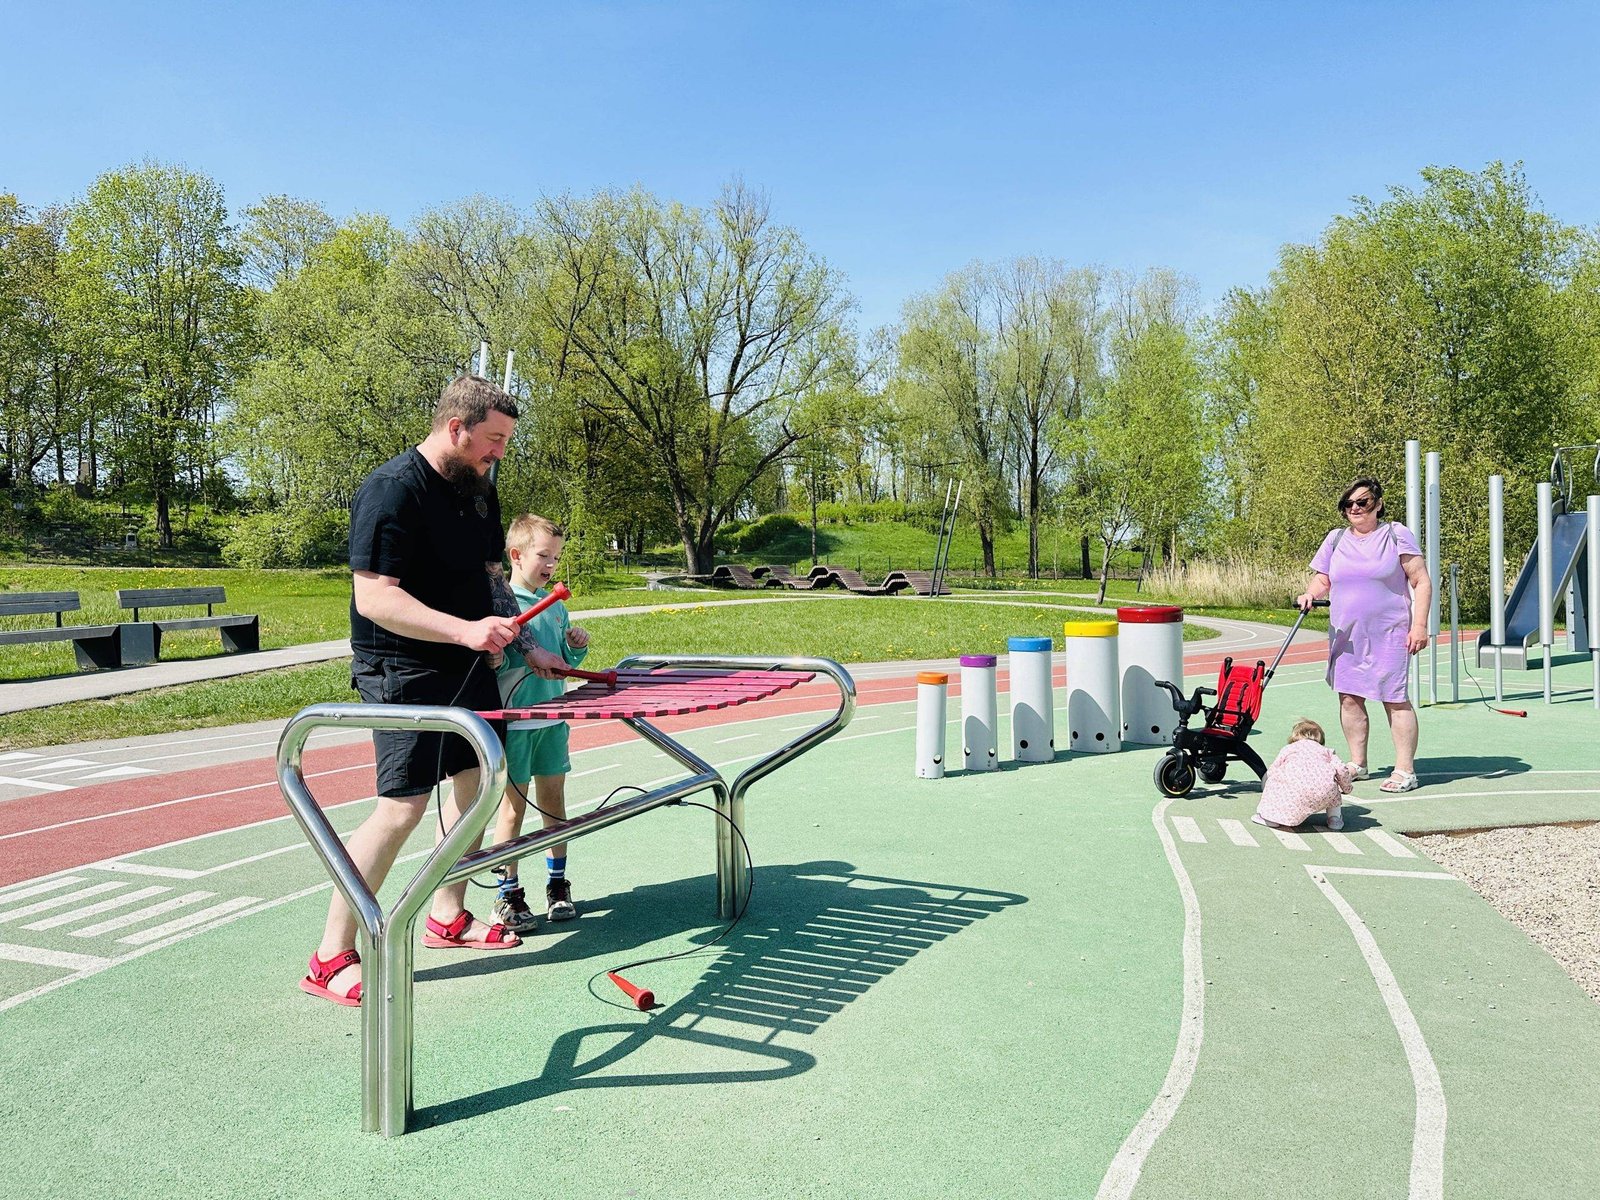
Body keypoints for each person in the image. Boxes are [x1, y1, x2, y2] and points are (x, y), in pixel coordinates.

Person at [300, 375, 568, 1007]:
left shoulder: (479, 490)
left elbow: (491, 577)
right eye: (493, 439)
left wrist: (527, 646)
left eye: (506, 440)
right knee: (402, 808)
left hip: (469, 665)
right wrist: (464, 630)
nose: (500, 452)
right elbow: (376, 597)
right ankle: (331, 955)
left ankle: (447, 915)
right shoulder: (392, 490)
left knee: (477, 788)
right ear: (456, 428)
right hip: (403, 669)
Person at [1294, 475, 1432, 794]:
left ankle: (1405, 770)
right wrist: (1310, 594)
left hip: (1390, 633)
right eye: (1348, 504)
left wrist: (1419, 626)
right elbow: (1323, 579)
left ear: (1378, 504)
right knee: (1349, 697)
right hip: (1347, 635)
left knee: (1394, 699)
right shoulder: (1336, 539)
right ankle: (1358, 763)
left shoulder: (1396, 535)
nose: (1355, 508)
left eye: (1363, 502)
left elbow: (1421, 581)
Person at [489, 514, 591, 933]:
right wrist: (499, 657)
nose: (551, 565)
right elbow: (497, 665)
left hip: (552, 721)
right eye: (543, 556)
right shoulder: (501, 605)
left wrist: (575, 648)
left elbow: (563, 663)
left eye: (556, 558)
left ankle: (557, 885)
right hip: (516, 725)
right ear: (516, 555)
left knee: (554, 804)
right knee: (512, 811)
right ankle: (507, 892)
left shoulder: (556, 606)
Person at [1252, 718, 1353, 831]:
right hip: (1324, 792)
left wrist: (1267, 787)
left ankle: (1270, 818)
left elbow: (1272, 770)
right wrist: (1346, 788)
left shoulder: (1289, 749)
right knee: (1332, 788)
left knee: (1275, 780)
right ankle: (1334, 819)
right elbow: (1342, 770)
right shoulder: (1327, 751)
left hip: (1293, 792)